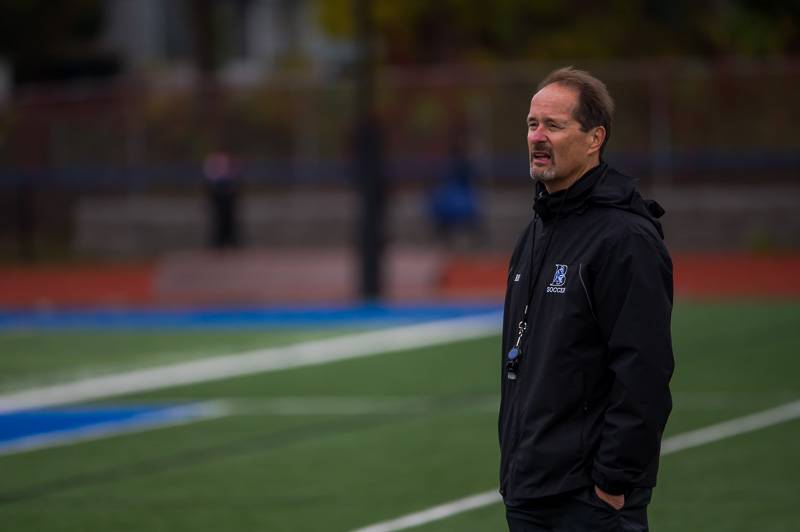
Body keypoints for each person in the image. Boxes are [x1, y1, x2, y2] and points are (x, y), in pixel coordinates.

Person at [498, 66, 674, 532]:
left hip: (589, 501)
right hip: (529, 490)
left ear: (595, 138)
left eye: (553, 126)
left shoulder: (625, 237)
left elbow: (644, 369)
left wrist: (613, 481)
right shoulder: (534, 232)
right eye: (532, 124)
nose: (538, 137)